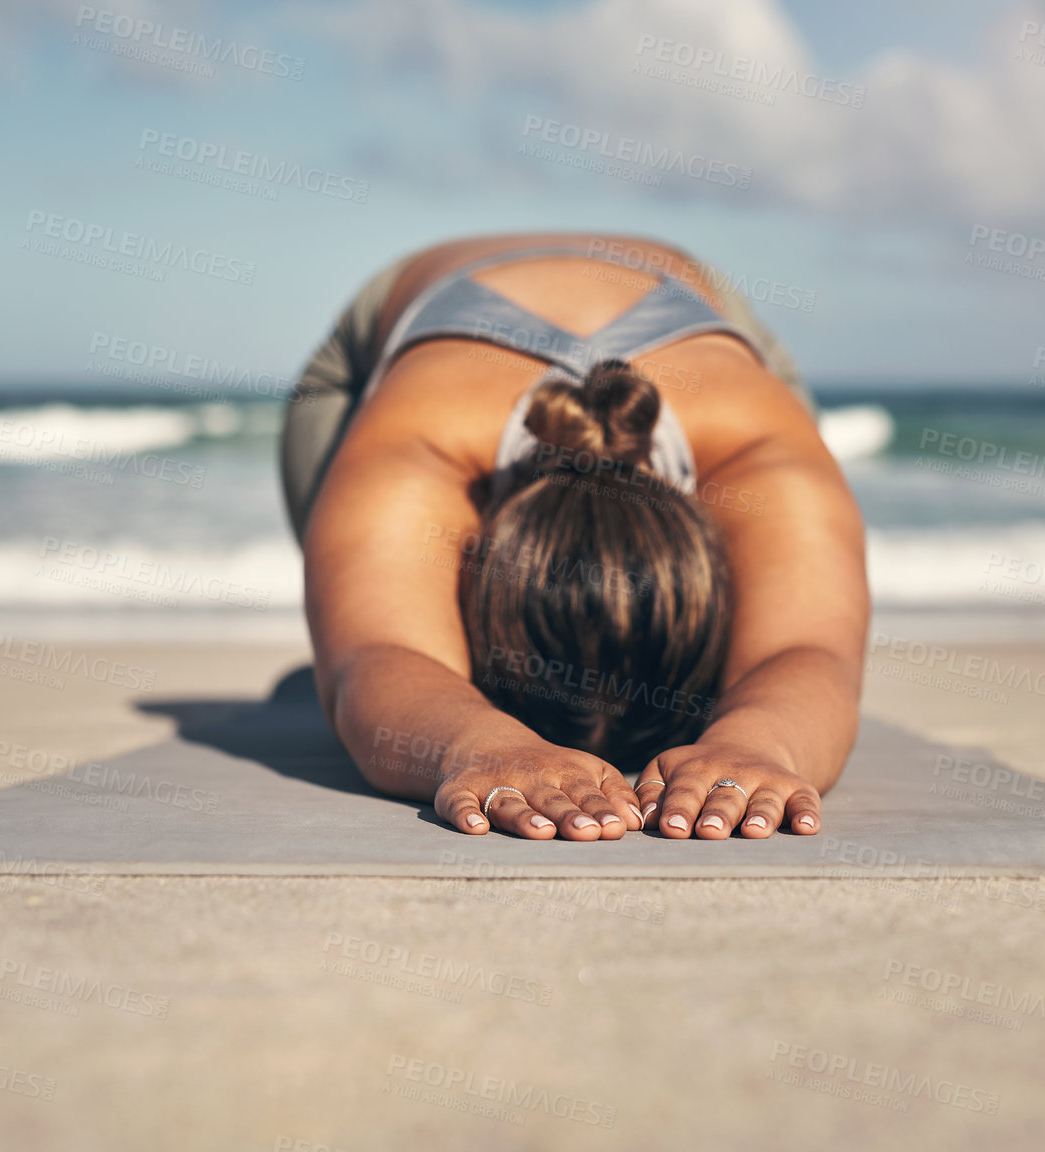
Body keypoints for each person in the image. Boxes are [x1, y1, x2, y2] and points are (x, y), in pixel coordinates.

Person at [281, 232, 868, 841]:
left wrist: (753, 741)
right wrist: (479, 741)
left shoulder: (757, 448)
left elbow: (808, 652)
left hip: (689, 311)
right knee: (345, 560)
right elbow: (374, 658)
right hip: (419, 312)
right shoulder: (422, 447)